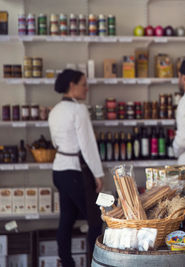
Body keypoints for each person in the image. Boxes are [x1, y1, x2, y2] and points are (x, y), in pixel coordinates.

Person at [48, 69, 103, 267]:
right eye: (83, 84)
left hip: (59, 170)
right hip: (75, 171)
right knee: (95, 219)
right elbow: (88, 145)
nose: (87, 88)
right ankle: (96, 262)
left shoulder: (55, 110)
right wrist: (98, 174)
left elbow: (55, 142)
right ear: (72, 85)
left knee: (67, 219)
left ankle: (68, 263)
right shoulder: (79, 110)